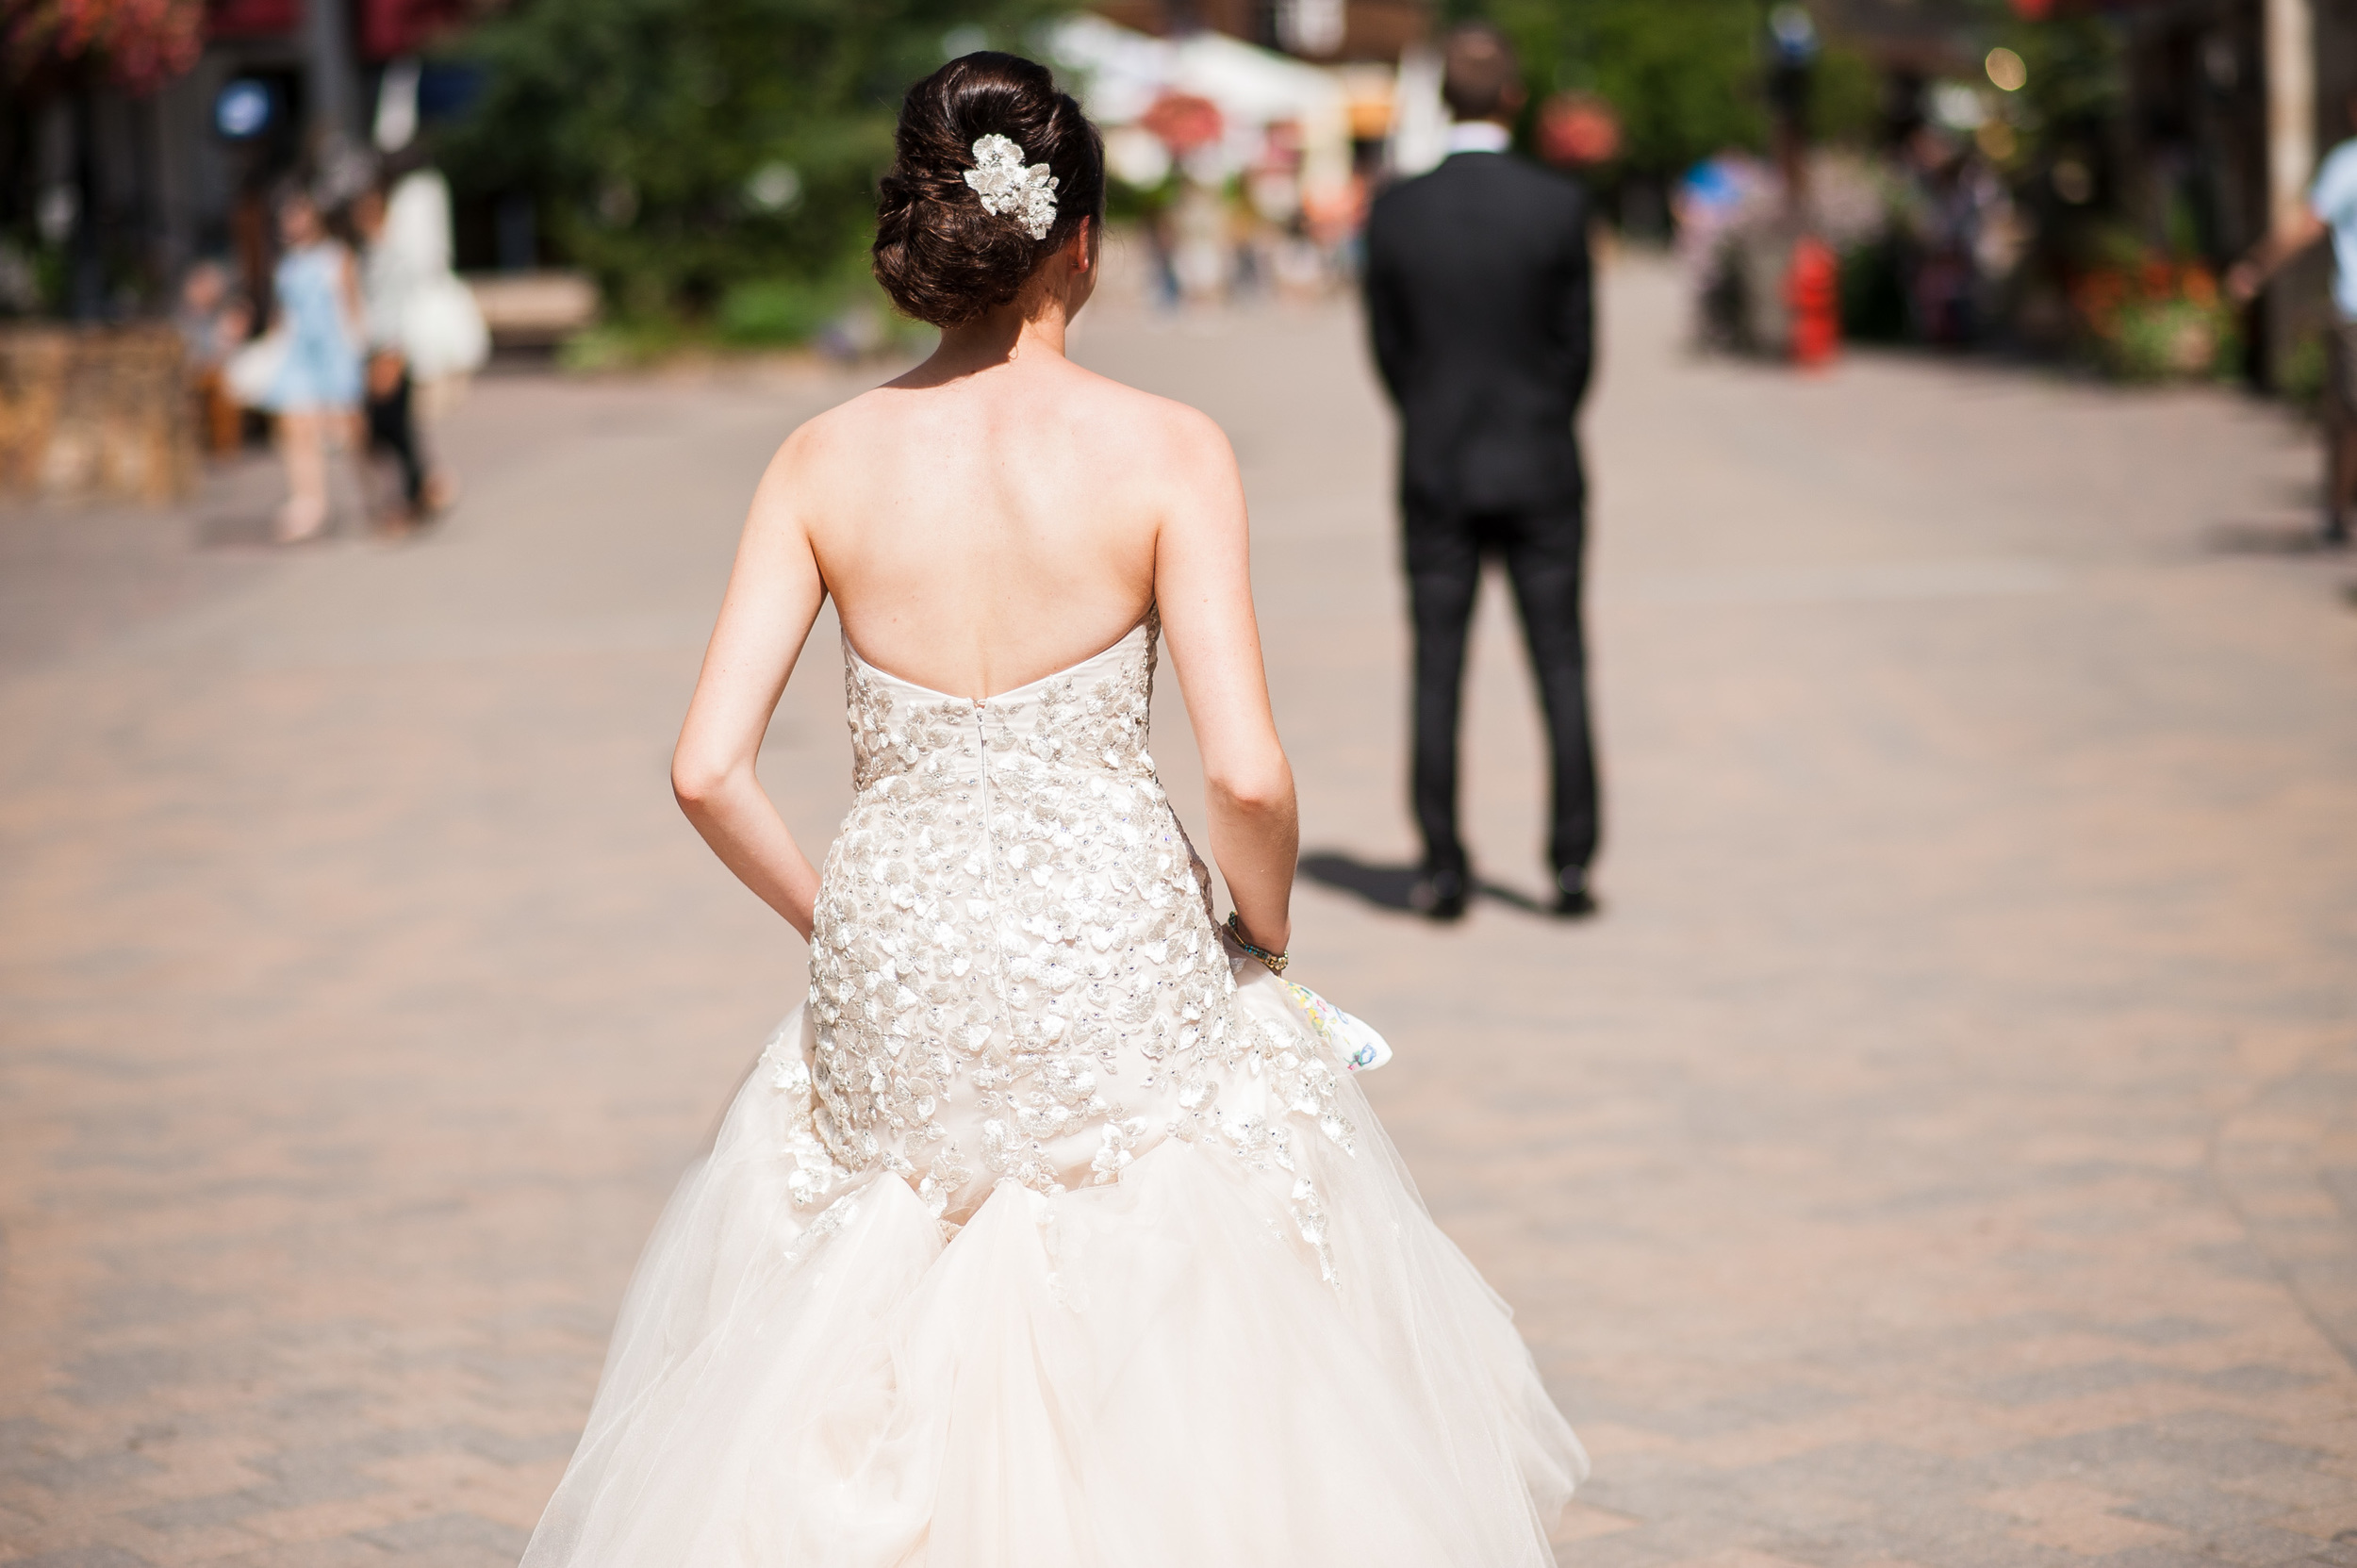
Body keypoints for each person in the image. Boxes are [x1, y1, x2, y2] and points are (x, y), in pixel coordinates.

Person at [518, 52, 1585, 1568]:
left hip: (898, 944)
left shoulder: (820, 460)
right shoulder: (1167, 449)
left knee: (872, 1308)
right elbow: (1250, 773)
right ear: (1077, 240)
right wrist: (1261, 934)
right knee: (1168, 1315)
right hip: (1111, 946)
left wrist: (845, 920)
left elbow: (705, 767)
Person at [1362, 23, 1601, 921]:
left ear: (1441, 101)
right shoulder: (1557, 204)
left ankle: (1442, 867)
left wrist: (1430, 416)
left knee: (1436, 667)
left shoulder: (1395, 210)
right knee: (1562, 661)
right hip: (1542, 460)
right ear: (1514, 98)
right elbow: (1579, 351)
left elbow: (1388, 351)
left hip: (1436, 463)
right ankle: (1570, 867)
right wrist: (1540, 417)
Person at [2228, 94, 2357, 547]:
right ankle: (2337, 512)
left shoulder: (2347, 164)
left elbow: (2305, 225)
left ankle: (2337, 511)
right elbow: (2309, 224)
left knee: (2347, 417)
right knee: (2347, 414)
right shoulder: (2347, 165)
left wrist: (2256, 267)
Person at [259, 186, 364, 543]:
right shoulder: (286, 266)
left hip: (332, 353)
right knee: (296, 430)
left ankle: (378, 492)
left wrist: (357, 351)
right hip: (299, 355)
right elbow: (283, 316)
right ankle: (309, 502)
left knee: (349, 434)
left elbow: (351, 309)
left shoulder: (336, 257)